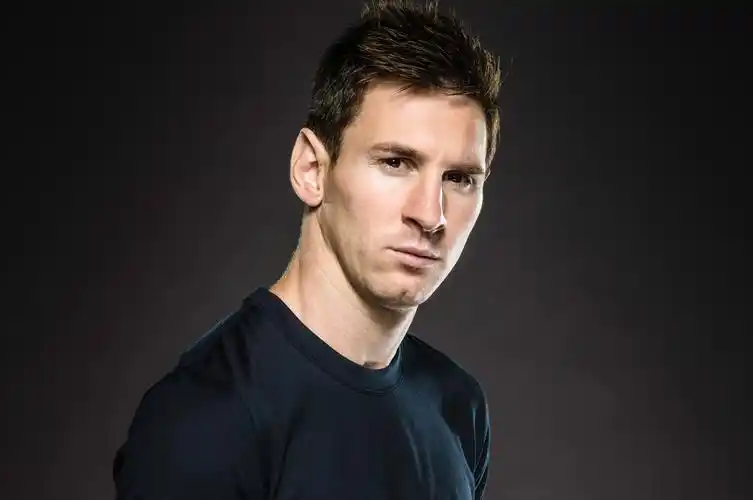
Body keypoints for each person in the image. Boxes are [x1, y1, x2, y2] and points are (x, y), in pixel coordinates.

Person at [113, 1, 503, 498]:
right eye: (395, 162)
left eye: (460, 178)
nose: (431, 215)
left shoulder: (458, 406)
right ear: (312, 170)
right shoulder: (207, 418)